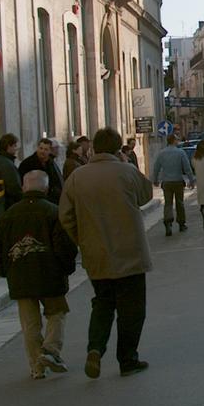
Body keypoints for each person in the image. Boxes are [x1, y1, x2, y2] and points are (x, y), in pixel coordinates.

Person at [59, 127, 153, 379]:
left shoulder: (77, 177)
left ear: (94, 148)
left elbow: (65, 216)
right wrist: (125, 163)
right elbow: (146, 194)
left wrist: (82, 239)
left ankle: (95, 348)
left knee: (102, 303)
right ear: (117, 148)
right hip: (130, 252)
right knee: (132, 308)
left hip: (97, 253)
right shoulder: (126, 171)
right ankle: (127, 359)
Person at [0, 170, 77, 379]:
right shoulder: (53, 212)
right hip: (50, 274)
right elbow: (64, 246)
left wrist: (4, 271)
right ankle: (50, 350)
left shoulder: (9, 215)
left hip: (20, 276)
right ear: (46, 188)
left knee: (30, 323)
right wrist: (67, 268)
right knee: (57, 313)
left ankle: (36, 367)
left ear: (24, 187)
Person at [152, 134, 195, 236]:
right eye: (177, 139)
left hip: (166, 182)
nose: (178, 141)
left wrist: (155, 180)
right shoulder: (180, 152)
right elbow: (187, 167)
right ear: (174, 140)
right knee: (180, 203)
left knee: (168, 203)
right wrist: (191, 180)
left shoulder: (161, 153)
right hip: (178, 181)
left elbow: (156, 167)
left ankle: (168, 223)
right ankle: (181, 223)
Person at [18, 138, 63, 205]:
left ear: (50, 151)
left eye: (46, 149)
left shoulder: (51, 163)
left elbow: (56, 180)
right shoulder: (27, 163)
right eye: (41, 148)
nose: (42, 151)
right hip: (34, 199)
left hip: (52, 199)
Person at [0, 132, 24, 210]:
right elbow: (13, 188)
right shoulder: (6, 164)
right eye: (15, 146)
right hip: (7, 204)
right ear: (9, 146)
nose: (16, 148)